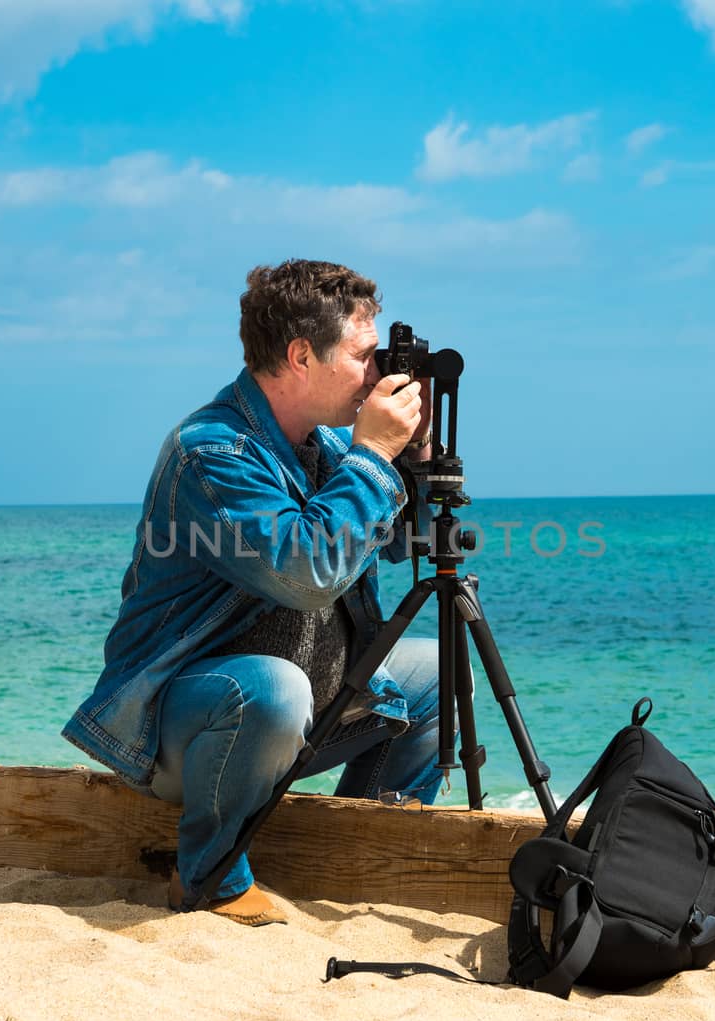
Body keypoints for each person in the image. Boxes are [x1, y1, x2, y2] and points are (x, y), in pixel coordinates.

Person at [63, 259, 443, 926]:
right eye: (362, 355)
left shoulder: (326, 446)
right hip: (189, 721)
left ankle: (364, 847)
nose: (375, 373)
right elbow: (306, 574)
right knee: (273, 688)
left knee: (440, 670)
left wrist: (410, 463)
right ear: (301, 355)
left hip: (304, 710)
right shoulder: (213, 454)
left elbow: (391, 550)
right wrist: (374, 459)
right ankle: (209, 876)